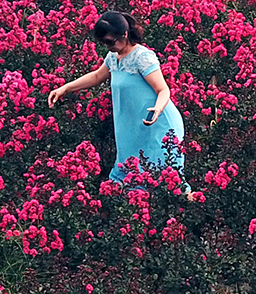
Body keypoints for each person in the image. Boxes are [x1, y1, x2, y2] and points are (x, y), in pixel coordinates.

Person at [47, 10, 193, 195]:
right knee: (130, 179)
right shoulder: (113, 58)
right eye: (103, 43)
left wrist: (157, 108)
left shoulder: (142, 57)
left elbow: (163, 90)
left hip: (159, 125)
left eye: (110, 41)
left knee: (168, 180)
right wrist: (65, 88)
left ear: (124, 35)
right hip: (134, 130)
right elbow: (97, 76)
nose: (107, 46)